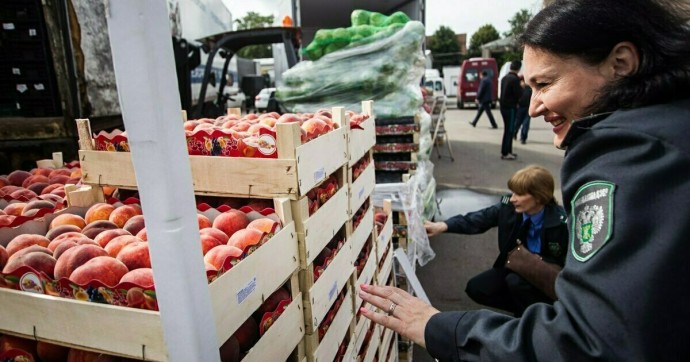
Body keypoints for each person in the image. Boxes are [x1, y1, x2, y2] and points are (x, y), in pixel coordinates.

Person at [357, 0, 690, 360]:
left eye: (544, 84)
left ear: (620, 63)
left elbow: (589, 342)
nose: (532, 107)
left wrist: (436, 327)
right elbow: (483, 217)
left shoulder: (629, 154)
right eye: (529, 87)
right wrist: (443, 226)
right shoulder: (671, 129)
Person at [424, 165, 567, 316]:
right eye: (512, 192)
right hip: (517, 268)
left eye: (519, 194)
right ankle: (531, 309)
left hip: (547, 279)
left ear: (539, 196)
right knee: (477, 288)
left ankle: (535, 317)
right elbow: (480, 219)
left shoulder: (563, 223)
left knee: (515, 282)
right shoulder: (508, 207)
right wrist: (443, 225)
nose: (512, 198)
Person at [499, 60, 522, 160]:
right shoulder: (515, 79)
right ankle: (506, 152)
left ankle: (508, 151)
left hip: (503, 107)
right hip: (511, 107)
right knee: (510, 130)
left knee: (507, 129)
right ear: (519, 68)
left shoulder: (504, 78)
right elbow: (519, 94)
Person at [513, 76, 532, 144]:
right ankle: (514, 133)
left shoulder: (529, 89)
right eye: (522, 81)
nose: (523, 83)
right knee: (517, 123)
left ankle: (523, 138)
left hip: (527, 108)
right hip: (519, 108)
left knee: (526, 124)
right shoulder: (517, 89)